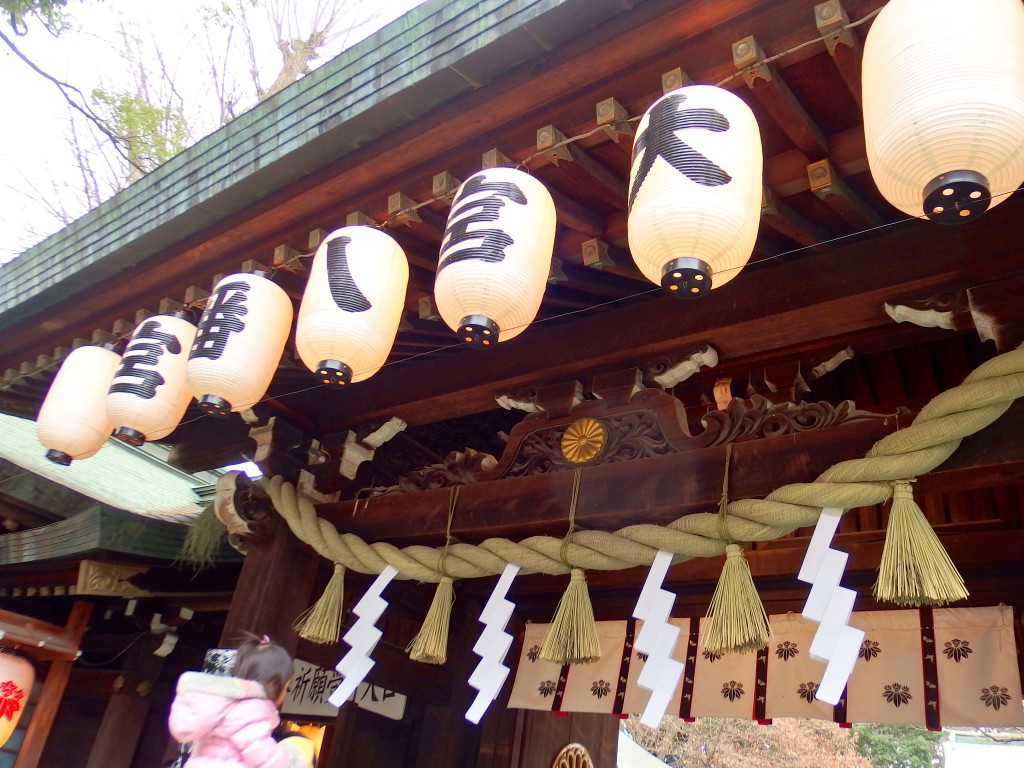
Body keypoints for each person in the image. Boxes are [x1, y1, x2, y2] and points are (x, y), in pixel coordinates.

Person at [168, 635, 315, 768]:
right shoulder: (252, 709)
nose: (285, 694)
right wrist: (294, 757)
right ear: (273, 683)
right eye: (287, 687)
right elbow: (266, 759)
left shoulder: (221, 704)